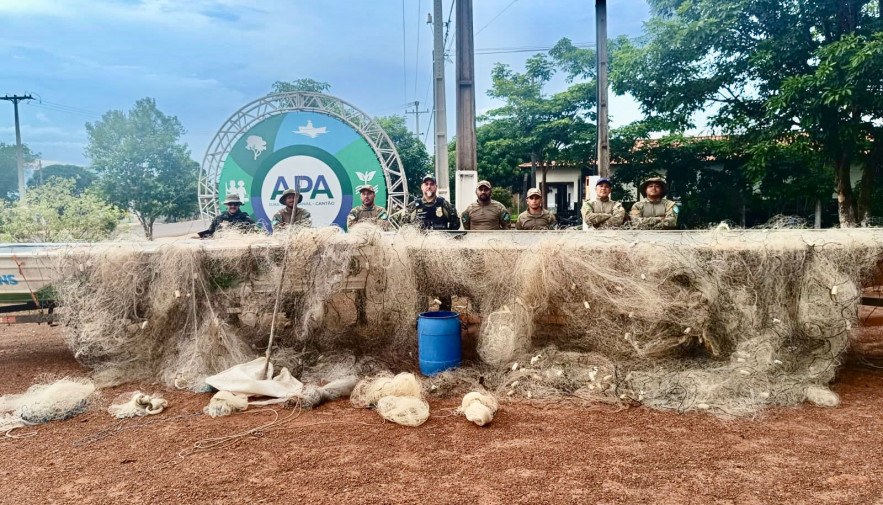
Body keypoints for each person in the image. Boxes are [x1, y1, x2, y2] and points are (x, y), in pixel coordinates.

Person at [391, 174, 459, 230]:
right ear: (422, 187)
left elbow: (455, 225)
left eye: (432, 184)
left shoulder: (445, 205)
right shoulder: (413, 206)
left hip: (440, 241)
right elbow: (402, 225)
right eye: (426, 184)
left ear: (436, 187)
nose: (429, 187)